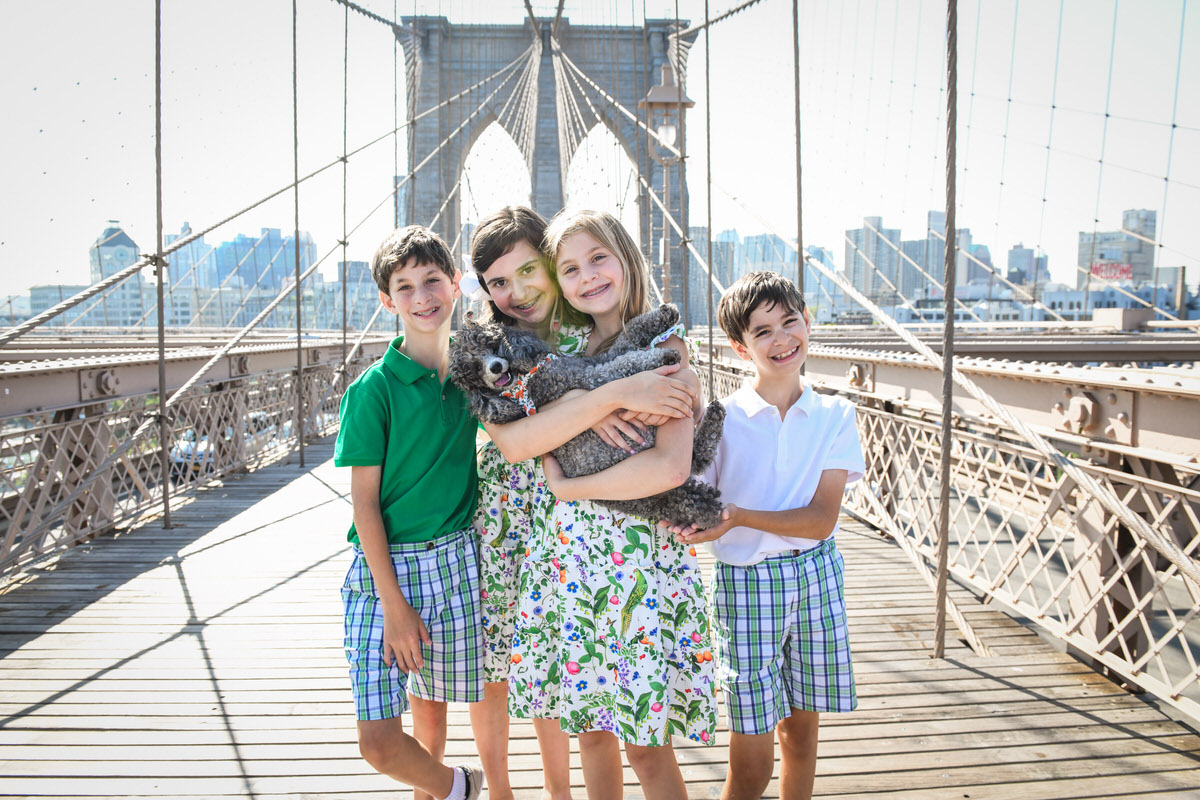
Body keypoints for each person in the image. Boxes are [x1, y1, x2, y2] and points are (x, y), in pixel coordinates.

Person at [466, 206, 699, 800]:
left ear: (625, 255)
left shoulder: (654, 342)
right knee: (591, 731)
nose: (586, 275)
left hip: (636, 559)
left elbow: (671, 463)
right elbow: (517, 441)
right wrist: (615, 395)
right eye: (571, 266)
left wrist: (570, 485)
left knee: (646, 745)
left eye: (598, 258)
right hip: (571, 561)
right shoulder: (527, 353)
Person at [663, 270, 865, 800]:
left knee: (801, 734)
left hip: (817, 577)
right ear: (739, 345)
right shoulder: (721, 419)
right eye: (763, 331)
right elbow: (696, 505)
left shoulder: (836, 415)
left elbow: (822, 520)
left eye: (790, 322)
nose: (782, 340)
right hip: (747, 585)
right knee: (750, 755)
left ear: (807, 323)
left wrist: (741, 516)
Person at [334, 225, 484, 800]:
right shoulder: (372, 391)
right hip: (382, 576)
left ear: (454, 285)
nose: (422, 297)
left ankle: (440, 791)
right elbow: (365, 506)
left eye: (432, 281)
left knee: (433, 717)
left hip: (455, 563)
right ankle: (461, 787)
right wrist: (394, 604)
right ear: (386, 300)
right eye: (405, 287)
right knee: (379, 741)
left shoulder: (475, 377)